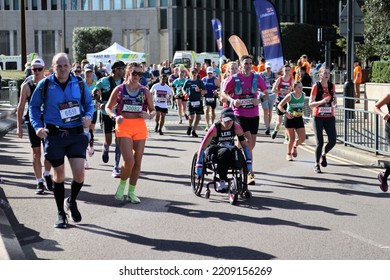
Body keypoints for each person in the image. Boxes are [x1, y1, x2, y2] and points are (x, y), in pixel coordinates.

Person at [29, 52, 94, 228]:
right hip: (55, 135)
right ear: (53, 67)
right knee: (59, 175)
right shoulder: (45, 84)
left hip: (75, 134)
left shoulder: (79, 83)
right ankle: (60, 213)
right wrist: (37, 127)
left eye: (66, 65)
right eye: (59, 66)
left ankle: (71, 201)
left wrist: (88, 115)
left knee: (79, 174)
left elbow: (89, 104)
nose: (63, 69)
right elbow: (33, 107)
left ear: (71, 66)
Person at [105, 62, 156, 203]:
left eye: (140, 74)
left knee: (138, 163)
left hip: (139, 127)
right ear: (128, 73)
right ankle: (121, 186)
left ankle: (132, 192)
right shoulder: (119, 89)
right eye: (135, 73)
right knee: (129, 161)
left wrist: (149, 115)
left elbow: (153, 110)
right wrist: (115, 117)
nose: (137, 76)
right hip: (124, 126)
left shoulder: (144, 91)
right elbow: (108, 107)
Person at [221, 55, 268, 185]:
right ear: (240, 65)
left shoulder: (257, 78)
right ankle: (249, 172)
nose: (247, 66)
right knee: (246, 141)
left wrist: (258, 100)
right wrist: (232, 100)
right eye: (245, 63)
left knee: (251, 144)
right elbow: (223, 92)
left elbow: (266, 93)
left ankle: (235, 154)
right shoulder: (234, 79)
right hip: (239, 114)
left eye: (249, 63)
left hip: (253, 114)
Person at [16, 58, 53, 194]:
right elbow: (20, 108)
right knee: (36, 153)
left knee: (50, 152)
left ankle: (47, 174)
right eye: (34, 69)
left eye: (39, 69)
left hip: (49, 121)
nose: (36, 72)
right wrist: (19, 127)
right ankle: (39, 181)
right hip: (33, 122)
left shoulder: (50, 84)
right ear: (30, 70)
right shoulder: (26, 86)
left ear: (44, 69)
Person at [195, 107, 252, 193]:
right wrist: (199, 163)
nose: (229, 123)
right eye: (226, 120)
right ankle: (222, 180)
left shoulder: (236, 127)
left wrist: (248, 161)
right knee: (225, 152)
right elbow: (202, 146)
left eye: (231, 120)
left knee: (237, 153)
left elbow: (244, 145)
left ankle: (241, 182)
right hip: (214, 148)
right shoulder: (214, 129)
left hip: (229, 148)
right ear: (221, 119)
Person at [93, 60, 125, 177]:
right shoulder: (104, 81)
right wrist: (100, 103)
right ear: (115, 70)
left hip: (119, 115)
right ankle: (105, 148)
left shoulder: (124, 82)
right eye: (122, 69)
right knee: (109, 140)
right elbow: (94, 92)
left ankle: (116, 166)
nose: (124, 71)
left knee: (119, 140)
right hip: (106, 114)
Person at [308, 65, 337, 173]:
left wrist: (334, 102)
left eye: (328, 73)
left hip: (329, 116)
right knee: (320, 142)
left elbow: (334, 100)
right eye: (324, 73)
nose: (327, 75)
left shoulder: (332, 86)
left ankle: (323, 154)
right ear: (319, 74)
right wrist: (322, 102)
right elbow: (310, 103)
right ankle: (316, 164)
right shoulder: (316, 86)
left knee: (333, 141)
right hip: (318, 117)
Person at [277, 81, 306, 161]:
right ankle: (288, 154)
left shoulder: (303, 95)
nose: (301, 89)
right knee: (292, 138)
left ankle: (295, 146)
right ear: (294, 88)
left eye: (301, 87)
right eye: (299, 87)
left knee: (302, 138)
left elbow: (305, 106)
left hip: (299, 118)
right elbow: (279, 105)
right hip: (289, 118)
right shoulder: (290, 96)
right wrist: (286, 113)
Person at [271, 64, 294, 140]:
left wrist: (290, 91)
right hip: (280, 101)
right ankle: (276, 130)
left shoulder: (291, 80)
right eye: (285, 70)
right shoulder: (280, 79)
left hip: (288, 101)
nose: (287, 71)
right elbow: (273, 90)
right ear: (283, 71)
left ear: (290, 71)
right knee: (279, 121)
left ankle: (287, 137)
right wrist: (281, 91)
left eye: (288, 70)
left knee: (288, 120)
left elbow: (293, 90)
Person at [182, 67, 206, 137]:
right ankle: (190, 126)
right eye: (192, 72)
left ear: (197, 73)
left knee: (198, 117)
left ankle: (194, 130)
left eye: (195, 72)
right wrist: (185, 93)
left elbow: (205, 91)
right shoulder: (188, 81)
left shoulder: (200, 82)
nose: (194, 74)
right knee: (191, 117)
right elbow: (183, 89)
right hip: (191, 100)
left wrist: (199, 91)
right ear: (191, 73)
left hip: (198, 100)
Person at [374, 94, 390, 192]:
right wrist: (383, 114)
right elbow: (376, 107)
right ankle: (384, 177)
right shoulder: (388, 96)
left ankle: (384, 176)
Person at [83, 64, 98, 169]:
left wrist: (98, 103)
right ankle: (84, 160)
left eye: (90, 72)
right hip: (83, 111)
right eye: (87, 72)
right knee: (84, 134)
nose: (88, 74)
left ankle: (91, 146)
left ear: (93, 73)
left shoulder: (96, 84)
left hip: (93, 110)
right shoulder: (81, 84)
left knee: (91, 131)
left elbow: (98, 97)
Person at [260, 62, 276, 135]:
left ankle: (268, 125)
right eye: (267, 68)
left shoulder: (273, 74)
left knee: (270, 111)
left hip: (272, 94)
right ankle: (267, 127)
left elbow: (278, 80)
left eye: (269, 68)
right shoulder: (261, 74)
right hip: (263, 94)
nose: (268, 69)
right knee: (265, 110)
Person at [202, 66, 220, 131]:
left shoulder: (216, 79)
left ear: (213, 73)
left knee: (212, 111)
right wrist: (202, 92)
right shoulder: (204, 79)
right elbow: (201, 87)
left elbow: (219, 88)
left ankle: (212, 124)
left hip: (213, 97)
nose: (209, 74)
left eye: (210, 73)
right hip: (207, 96)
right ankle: (207, 125)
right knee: (206, 110)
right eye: (208, 73)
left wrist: (216, 91)